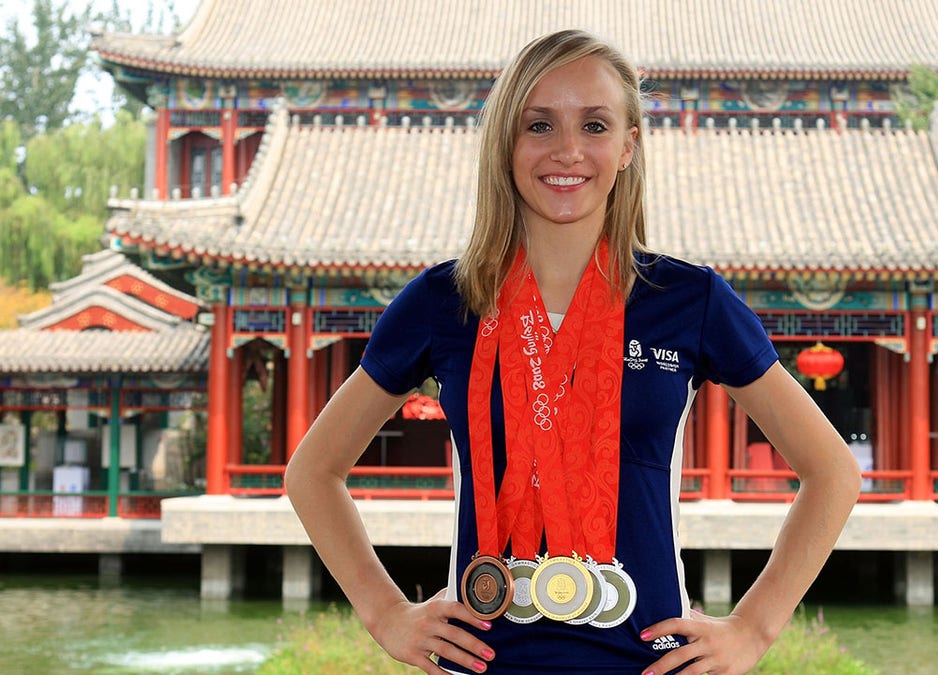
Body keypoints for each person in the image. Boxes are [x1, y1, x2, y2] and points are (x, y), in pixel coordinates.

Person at [285, 29, 861, 675]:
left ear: (627, 146)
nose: (567, 150)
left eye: (594, 125)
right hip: (483, 661)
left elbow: (832, 472)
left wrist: (754, 627)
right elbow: (313, 471)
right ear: (506, 142)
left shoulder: (689, 299)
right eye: (539, 125)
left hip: (649, 661)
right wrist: (385, 612)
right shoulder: (444, 300)